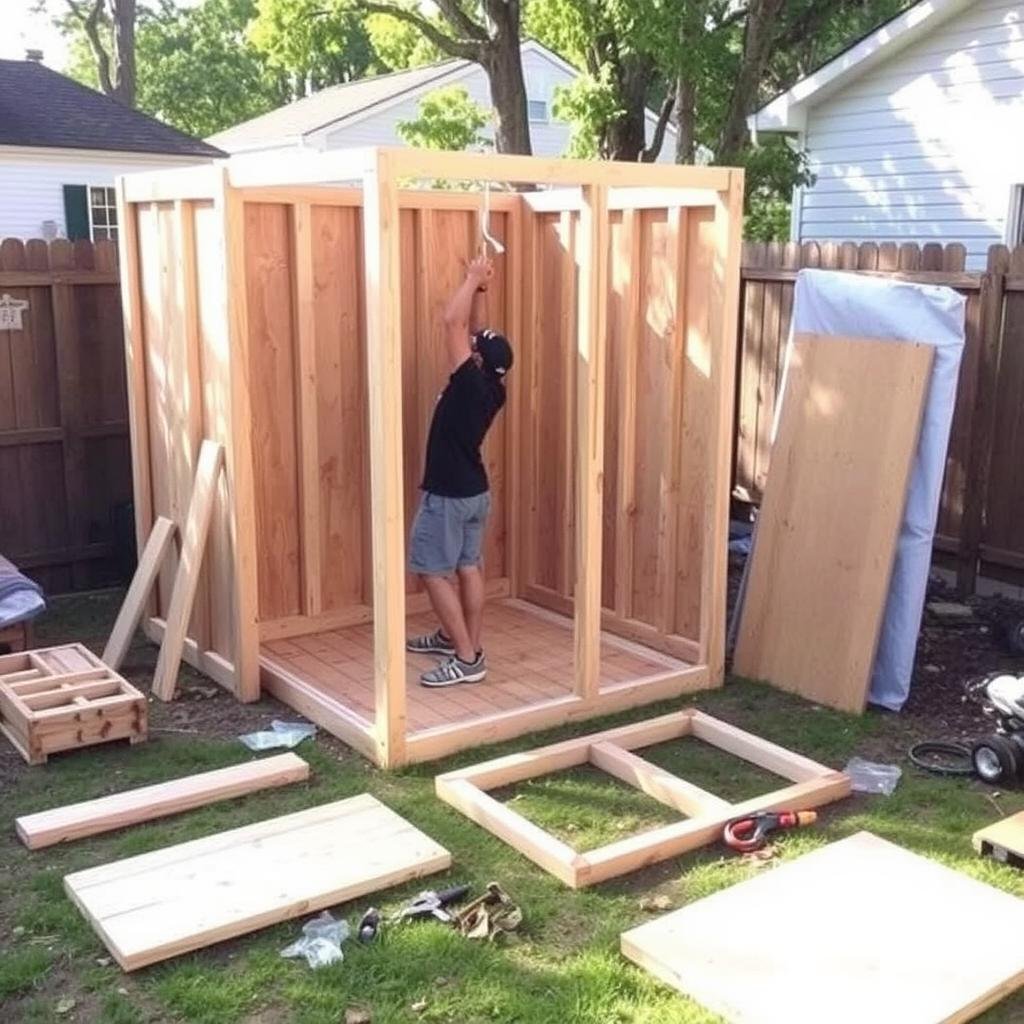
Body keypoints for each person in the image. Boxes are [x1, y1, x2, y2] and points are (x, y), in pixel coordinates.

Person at [406, 253, 513, 687]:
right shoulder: (491, 385)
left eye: (475, 345)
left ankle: (467, 660)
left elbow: (451, 323)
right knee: (467, 566)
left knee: (432, 570)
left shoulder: (468, 383)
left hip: (449, 495)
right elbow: (467, 329)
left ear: (477, 361)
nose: (469, 341)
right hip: (474, 493)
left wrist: (470, 277)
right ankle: (460, 640)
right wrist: (480, 287)